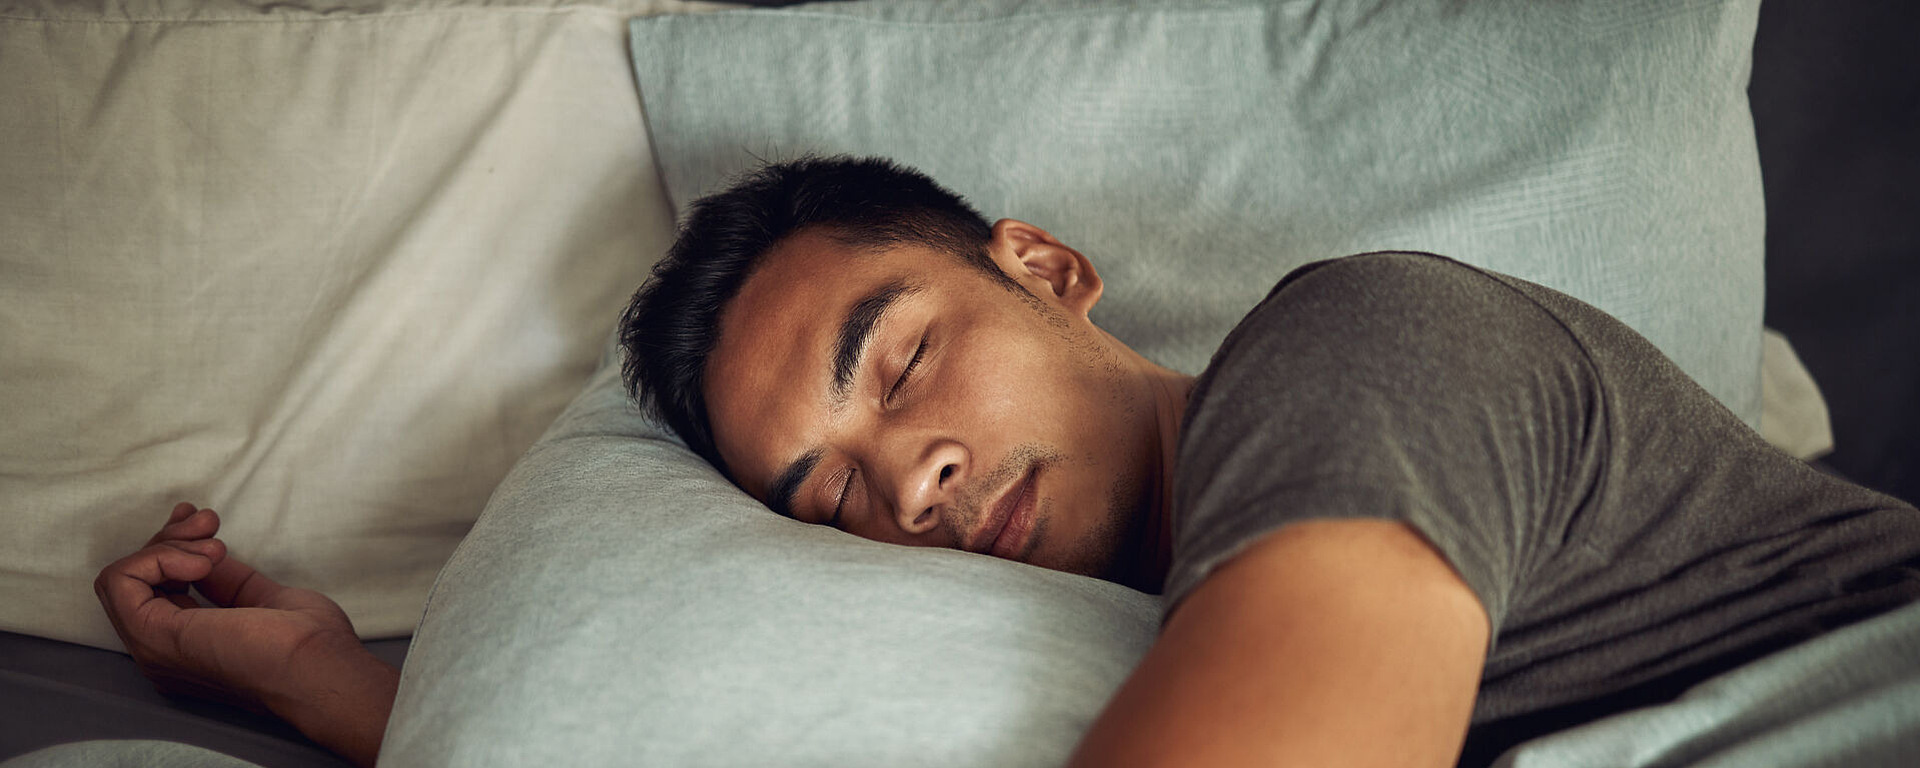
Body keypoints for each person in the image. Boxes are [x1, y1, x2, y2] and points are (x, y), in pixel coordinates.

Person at [97, 156, 1920, 768]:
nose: (908, 485)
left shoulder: (1349, 351)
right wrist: (350, 684)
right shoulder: (1137, 615)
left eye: (898, 360)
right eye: (826, 494)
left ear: (1043, 268)